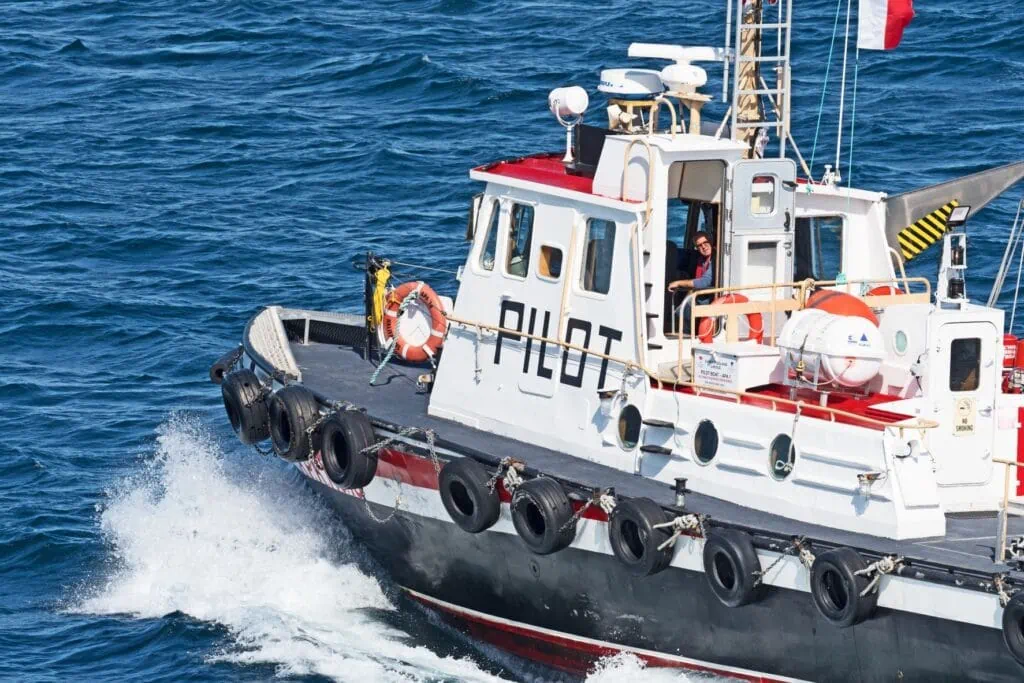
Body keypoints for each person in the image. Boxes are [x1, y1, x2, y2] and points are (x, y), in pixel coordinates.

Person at [667, 232, 714, 333]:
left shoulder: (715, 259)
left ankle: (688, 335)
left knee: (683, 311)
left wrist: (678, 283)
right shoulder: (701, 260)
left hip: (709, 298)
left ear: (710, 242)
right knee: (678, 311)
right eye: (699, 245)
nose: (704, 247)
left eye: (705, 243)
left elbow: (704, 282)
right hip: (698, 296)